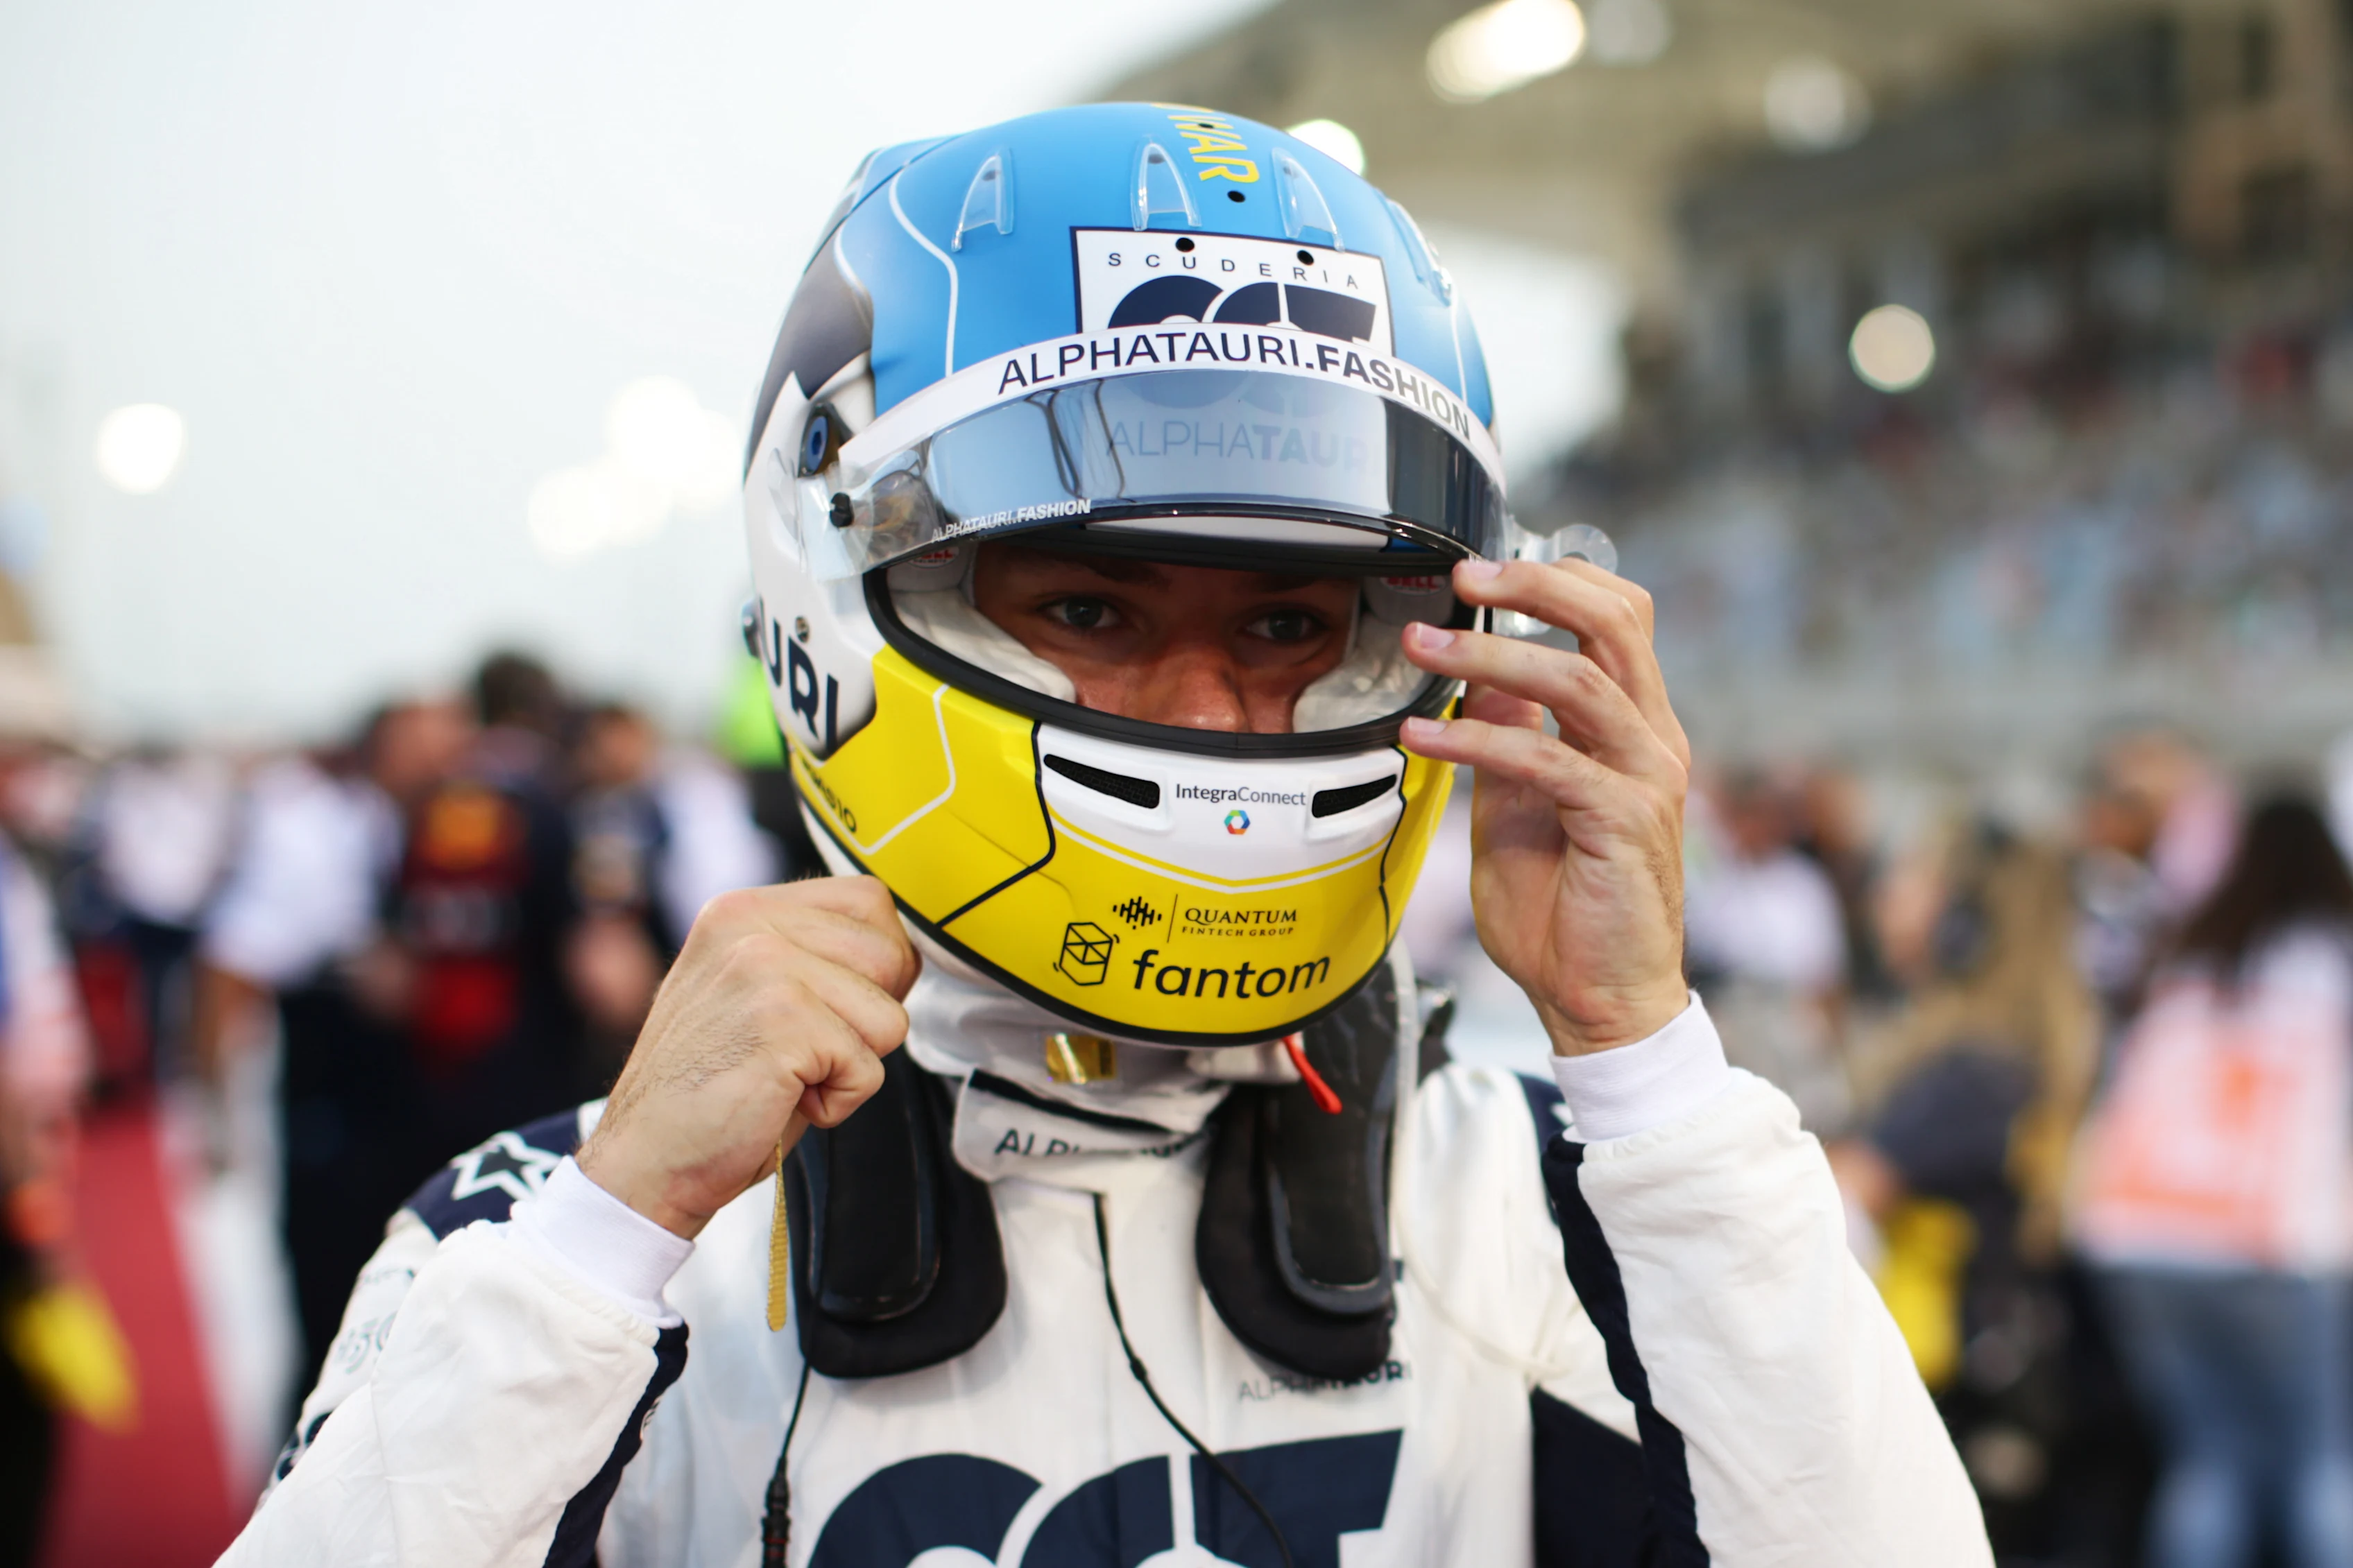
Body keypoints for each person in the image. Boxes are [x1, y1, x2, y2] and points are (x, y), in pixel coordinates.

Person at [221, 105, 1985, 1566]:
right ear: (833, 598)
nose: (1210, 714)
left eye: (1287, 627)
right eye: (1088, 609)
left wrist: (1647, 1064)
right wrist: (612, 1243)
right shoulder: (571, 1232)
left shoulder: (1548, 1192)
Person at [2072, 794, 2353, 1568]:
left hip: (2143, 1234)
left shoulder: (2187, 962)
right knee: (2319, 1463)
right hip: (2278, 1242)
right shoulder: (2332, 960)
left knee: (2208, 1463)